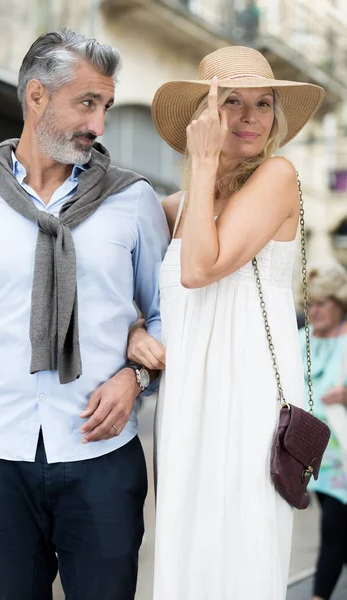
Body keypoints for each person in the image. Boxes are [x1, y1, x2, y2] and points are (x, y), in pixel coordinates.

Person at [0, 28, 169, 600]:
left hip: (101, 454)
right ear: (37, 97)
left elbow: (171, 313)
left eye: (107, 107)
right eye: (87, 103)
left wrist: (136, 375)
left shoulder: (133, 199)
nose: (99, 125)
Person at [128, 45, 325, 599]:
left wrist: (207, 161)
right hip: (190, 398)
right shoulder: (176, 206)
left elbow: (198, 269)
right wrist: (134, 329)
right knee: (189, 543)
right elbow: (134, 292)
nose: (249, 118)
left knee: (241, 544)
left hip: (250, 397)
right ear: (204, 117)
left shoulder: (279, 177)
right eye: (231, 103)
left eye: (263, 104)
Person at [301, 264, 347, 600]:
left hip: (343, 456)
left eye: (321, 303)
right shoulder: (299, 341)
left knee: (334, 528)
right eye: (309, 304)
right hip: (310, 456)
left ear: (339, 303)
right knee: (338, 531)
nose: (313, 311)